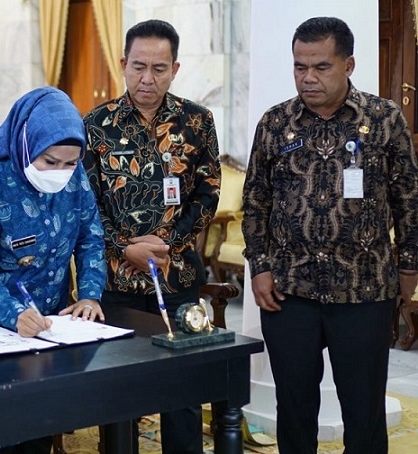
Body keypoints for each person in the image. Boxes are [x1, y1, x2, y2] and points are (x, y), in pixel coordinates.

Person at [242, 17, 418, 454]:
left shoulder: (383, 119)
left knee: (363, 411)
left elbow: (409, 200)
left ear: (348, 65)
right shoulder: (275, 122)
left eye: (321, 67)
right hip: (288, 293)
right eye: (299, 66)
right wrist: (259, 267)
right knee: (294, 408)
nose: (308, 78)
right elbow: (256, 201)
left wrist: (409, 268)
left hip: (364, 291)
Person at [83, 19, 221, 454]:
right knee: (119, 391)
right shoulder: (96, 125)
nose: (147, 78)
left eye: (159, 69)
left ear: (175, 69)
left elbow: (208, 192)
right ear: (123, 63)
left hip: (177, 278)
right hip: (116, 283)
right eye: (139, 67)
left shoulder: (197, 121)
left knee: (181, 390)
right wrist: (124, 247)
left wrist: (168, 244)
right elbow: (86, 205)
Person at [0, 86, 106, 453]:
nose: (60, 173)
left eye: (70, 163)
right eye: (50, 161)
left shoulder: (76, 181)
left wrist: (89, 295)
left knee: (36, 424)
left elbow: (91, 238)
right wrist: (14, 314)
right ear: (25, 144)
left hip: (48, 326)